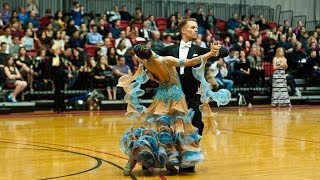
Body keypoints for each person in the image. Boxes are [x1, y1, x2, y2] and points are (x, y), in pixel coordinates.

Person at [119, 43, 229, 176]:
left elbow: (149, 75)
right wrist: (210, 54)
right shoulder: (165, 60)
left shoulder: (145, 63)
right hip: (176, 96)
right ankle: (170, 163)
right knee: (176, 129)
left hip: (161, 96)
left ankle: (135, 160)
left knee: (154, 127)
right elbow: (191, 62)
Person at [160, 18, 227, 172]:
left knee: (196, 124)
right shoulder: (169, 50)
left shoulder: (200, 49)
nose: (196, 30)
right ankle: (168, 158)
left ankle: (189, 160)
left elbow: (223, 52)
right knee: (169, 126)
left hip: (191, 94)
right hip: (172, 95)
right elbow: (152, 57)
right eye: (192, 27)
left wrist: (217, 49)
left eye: (196, 28)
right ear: (183, 30)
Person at [50, 45, 67, 112]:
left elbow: (62, 67)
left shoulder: (60, 57)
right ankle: (57, 107)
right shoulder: (52, 58)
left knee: (61, 92)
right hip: (56, 77)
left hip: (61, 77)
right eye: (58, 49)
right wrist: (55, 66)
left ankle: (61, 106)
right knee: (57, 91)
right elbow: (50, 68)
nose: (59, 50)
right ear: (55, 50)